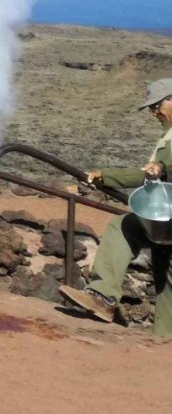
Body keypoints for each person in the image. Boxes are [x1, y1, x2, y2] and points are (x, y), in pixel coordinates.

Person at [59, 78, 172, 338]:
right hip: (166, 219)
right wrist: (104, 176)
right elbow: (146, 174)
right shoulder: (167, 135)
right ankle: (164, 346)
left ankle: (103, 296)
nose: (154, 112)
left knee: (123, 226)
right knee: (166, 283)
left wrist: (163, 167)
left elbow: (162, 169)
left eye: (157, 105)